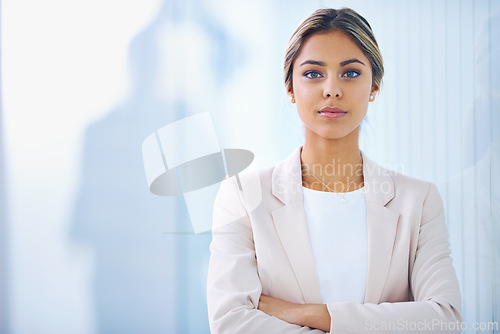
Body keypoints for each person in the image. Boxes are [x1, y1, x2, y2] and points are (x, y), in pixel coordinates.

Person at [207, 7, 462, 333]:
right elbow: (231, 323)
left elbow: (445, 320)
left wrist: (313, 314)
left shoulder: (419, 200)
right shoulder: (243, 198)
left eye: (351, 73)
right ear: (290, 88)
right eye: (313, 74)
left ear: (374, 86)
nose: (331, 89)